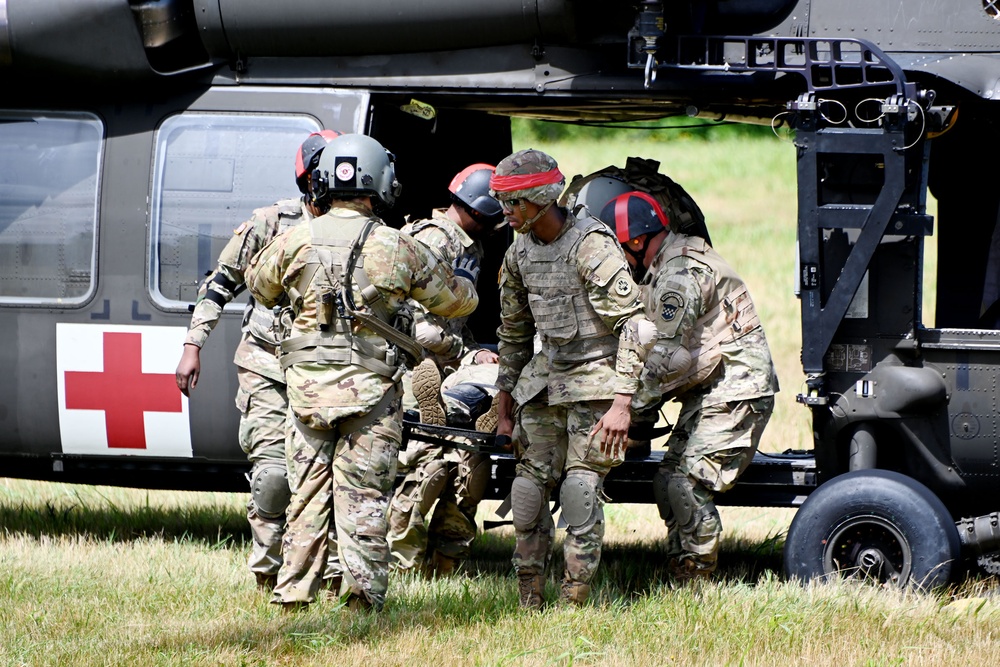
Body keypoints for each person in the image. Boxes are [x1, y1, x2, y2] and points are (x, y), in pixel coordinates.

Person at [245, 133, 479, 612]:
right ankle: (361, 602)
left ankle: (292, 597)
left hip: (305, 392)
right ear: (382, 183)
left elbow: (258, 285)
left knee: (305, 500)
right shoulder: (397, 246)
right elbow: (453, 300)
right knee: (364, 501)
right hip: (371, 396)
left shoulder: (293, 239)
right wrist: (470, 283)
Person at [174, 129, 341, 592]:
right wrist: (193, 345)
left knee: (326, 478)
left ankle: (327, 576)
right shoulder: (272, 222)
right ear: (310, 180)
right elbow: (220, 281)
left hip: (329, 371)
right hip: (267, 365)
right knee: (272, 475)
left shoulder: (357, 228)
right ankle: (268, 574)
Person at [491, 148, 647, 608]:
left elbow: (635, 327)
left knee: (580, 490)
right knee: (526, 490)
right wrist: (505, 400)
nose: (506, 212)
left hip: (598, 381)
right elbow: (514, 332)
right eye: (503, 202)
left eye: (514, 202)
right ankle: (528, 597)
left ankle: (573, 598)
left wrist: (622, 404)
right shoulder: (519, 250)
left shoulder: (590, 245)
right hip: (545, 381)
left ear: (542, 197)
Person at [596, 190, 778, 582]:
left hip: (736, 389)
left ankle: (695, 579)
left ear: (636, 241)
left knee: (686, 482)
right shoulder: (674, 258)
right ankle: (680, 565)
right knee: (666, 480)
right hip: (716, 388)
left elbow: (664, 357)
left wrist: (625, 412)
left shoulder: (678, 274)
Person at [388, 164, 505, 578]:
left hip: (449, 369)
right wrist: (464, 353)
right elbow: (413, 324)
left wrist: (475, 353)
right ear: (484, 208)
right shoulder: (431, 242)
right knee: (426, 466)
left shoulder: (467, 244)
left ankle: (444, 563)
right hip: (413, 369)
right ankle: (406, 567)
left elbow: (454, 321)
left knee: (470, 461)